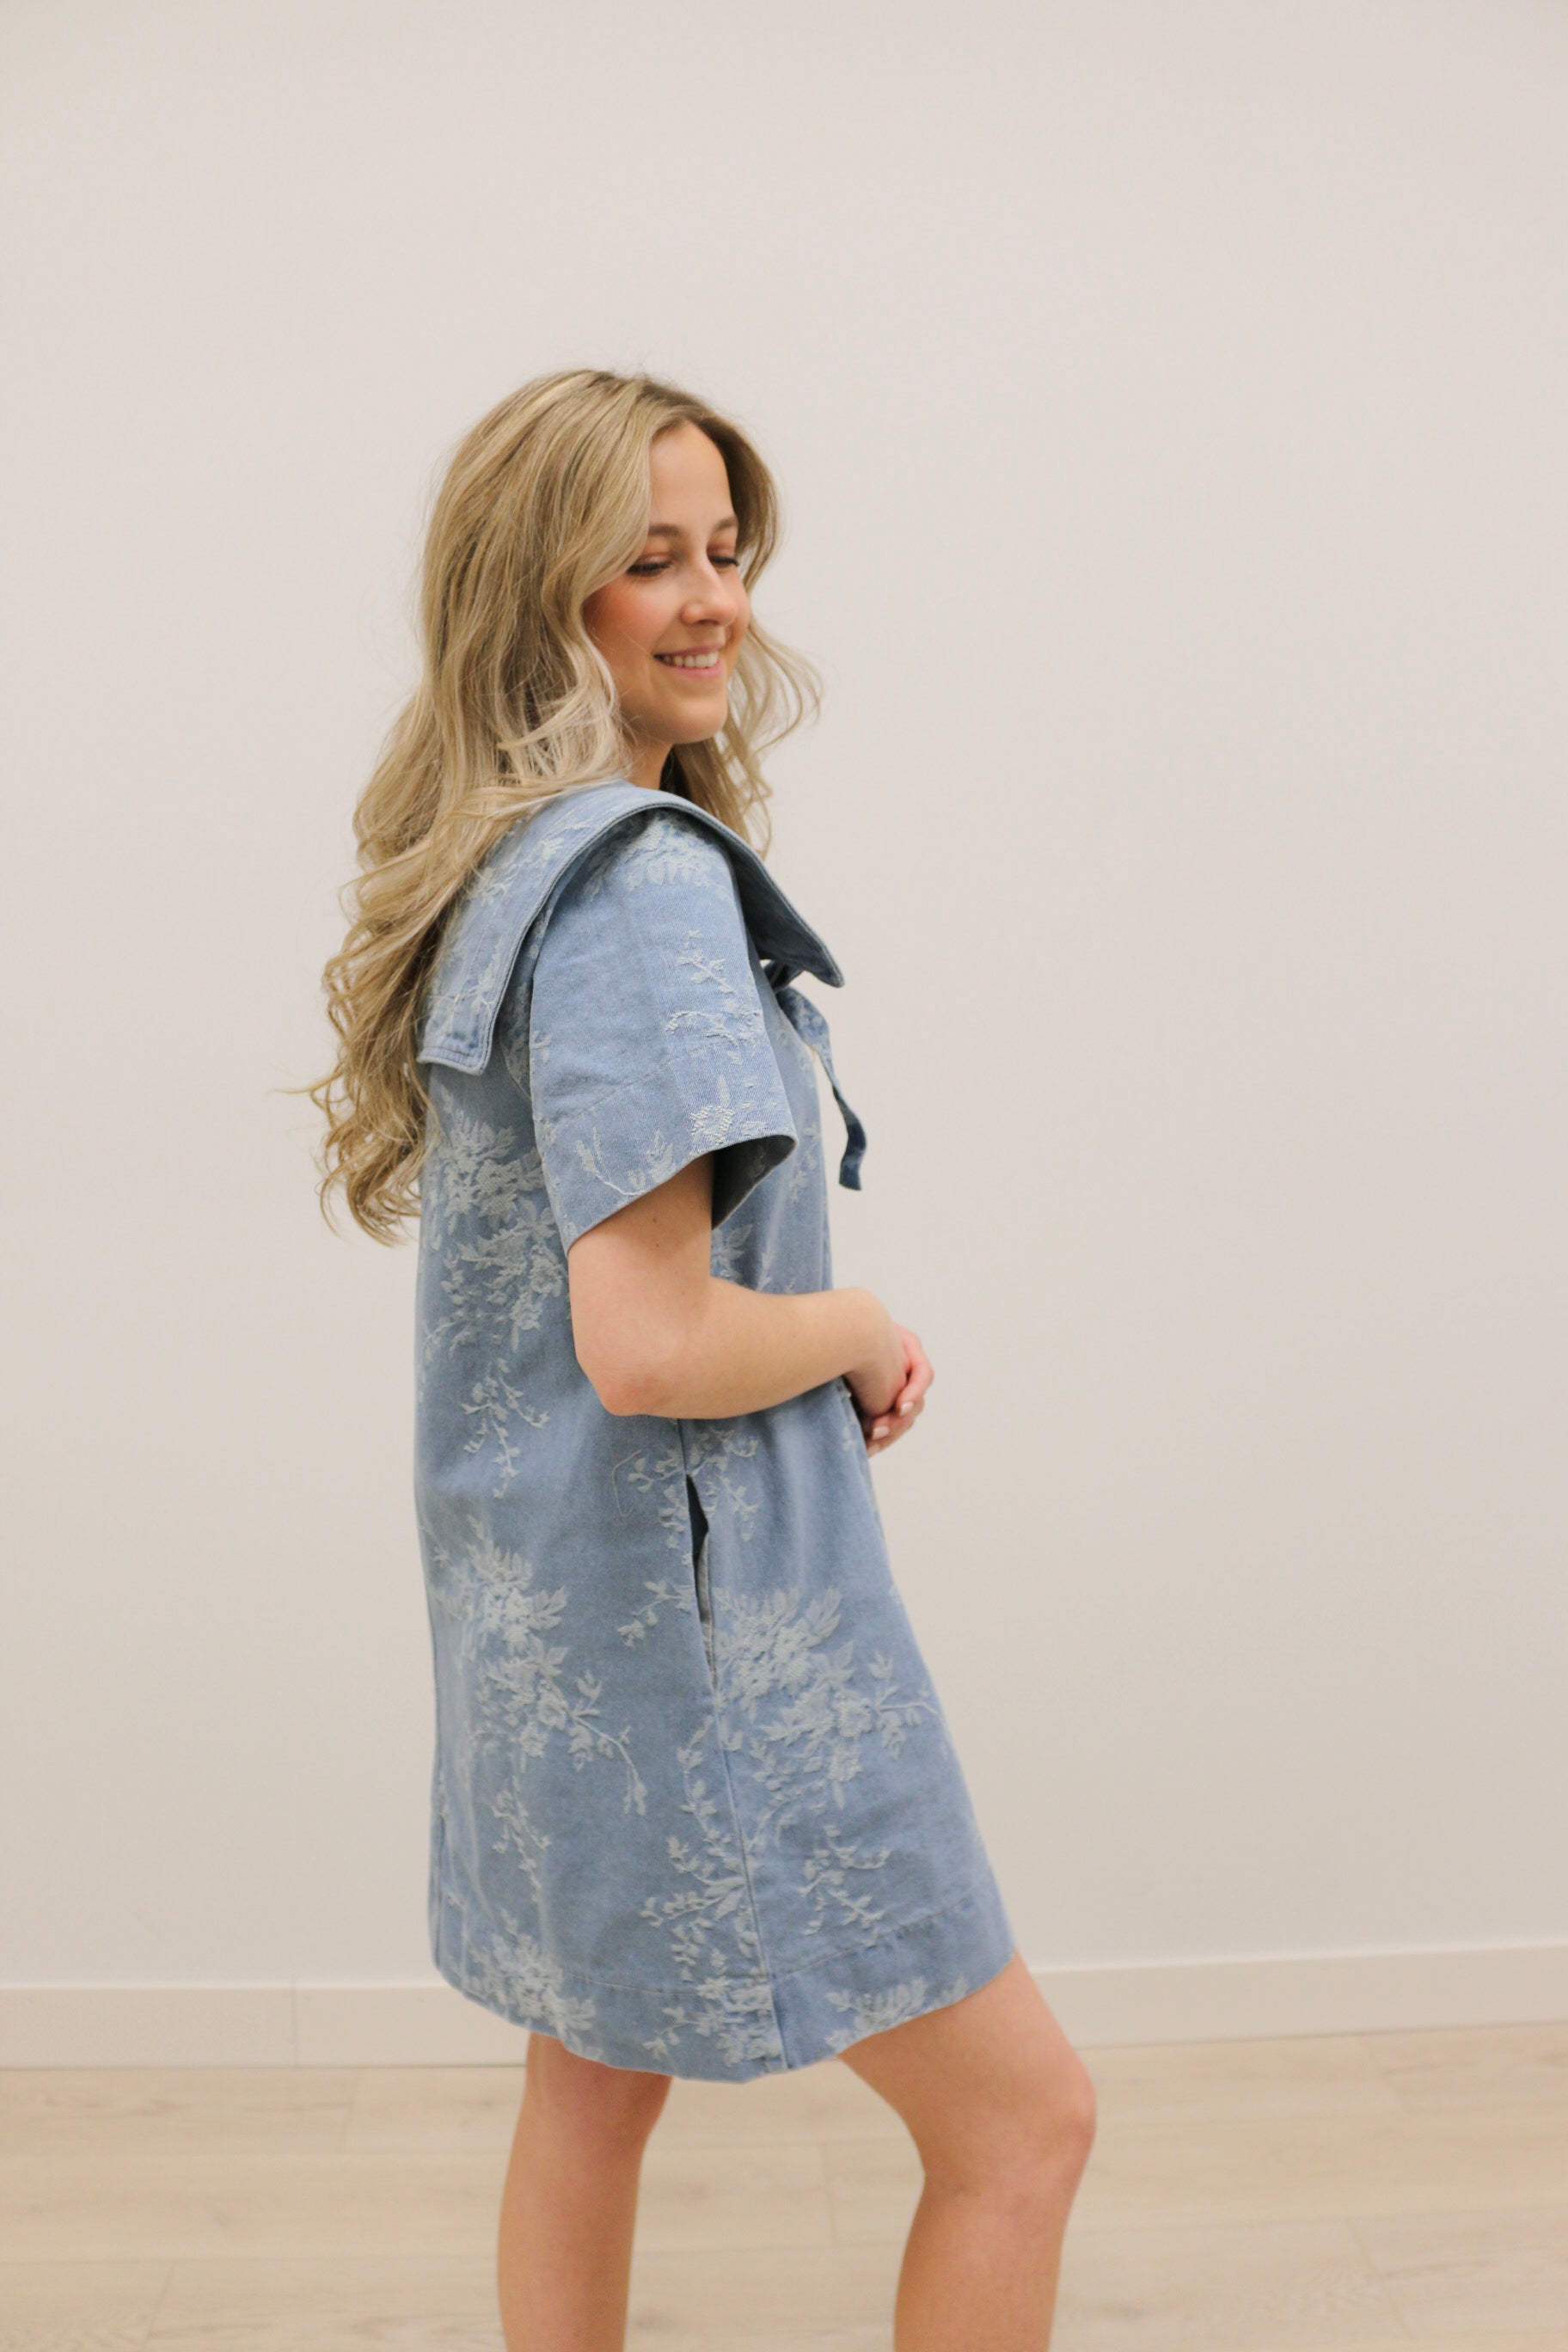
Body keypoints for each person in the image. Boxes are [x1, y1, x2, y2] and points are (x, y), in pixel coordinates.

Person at [306, 367, 1096, 2351]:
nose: (714, 599)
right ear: (540, 595)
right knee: (1025, 2128)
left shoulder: (514, 863)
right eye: (650, 559)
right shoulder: (643, 887)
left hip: (562, 1631)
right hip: (714, 1644)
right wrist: (857, 1326)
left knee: (590, 2087)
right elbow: (652, 1342)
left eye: (726, 551)